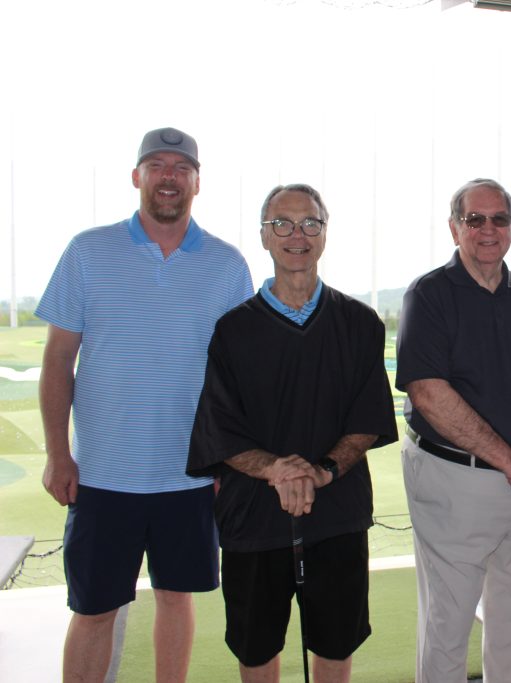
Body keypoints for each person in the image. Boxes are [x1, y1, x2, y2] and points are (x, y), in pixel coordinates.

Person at [36, 127, 253, 682]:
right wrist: (58, 455)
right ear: (137, 177)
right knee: (93, 611)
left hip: (189, 477)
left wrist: (229, 459)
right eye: (157, 165)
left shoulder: (228, 266)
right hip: (103, 475)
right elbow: (59, 360)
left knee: (177, 601)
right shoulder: (88, 250)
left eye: (180, 168)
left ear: (197, 183)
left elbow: (237, 376)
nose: (168, 177)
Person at [186, 183, 397, 682]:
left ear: (325, 233)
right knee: (256, 648)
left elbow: (366, 420)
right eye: (282, 223)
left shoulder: (360, 323)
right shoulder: (232, 330)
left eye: (310, 223)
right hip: (253, 518)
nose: (296, 235)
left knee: (336, 642)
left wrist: (321, 472)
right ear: (263, 236)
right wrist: (277, 470)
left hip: (337, 515)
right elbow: (220, 427)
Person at [396, 178, 511, 683]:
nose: (488, 229)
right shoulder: (428, 295)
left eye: (499, 219)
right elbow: (428, 392)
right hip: (456, 482)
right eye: (475, 219)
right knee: (448, 623)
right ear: (455, 228)